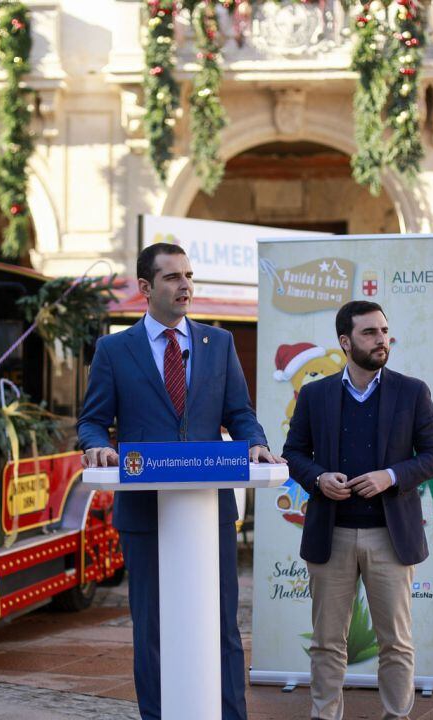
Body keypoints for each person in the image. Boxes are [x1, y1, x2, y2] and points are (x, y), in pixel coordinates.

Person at [77, 242, 283, 720]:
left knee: (222, 625)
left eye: (189, 275)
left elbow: (240, 413)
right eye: (172, 277)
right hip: (146, 509)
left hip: (208, 508)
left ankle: (231, 715)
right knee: (151, 627)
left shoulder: (220, 343)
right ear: (145, 287)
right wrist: (96, 445)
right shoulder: (114, 349)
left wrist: (254, 442)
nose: (185, 285)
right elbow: (92, 420)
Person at [282, 300, 433, 720]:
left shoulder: (413, 391)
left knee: (395, 642)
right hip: (330, 534)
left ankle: (396, 715)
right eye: (370, 333)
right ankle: (325, 715)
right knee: (326, 642)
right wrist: (319, 479)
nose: (381, 340)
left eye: (384, 331)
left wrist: (389, 476)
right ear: (345, 341)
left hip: (390, 537)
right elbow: (294, 453)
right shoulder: (315, 394)